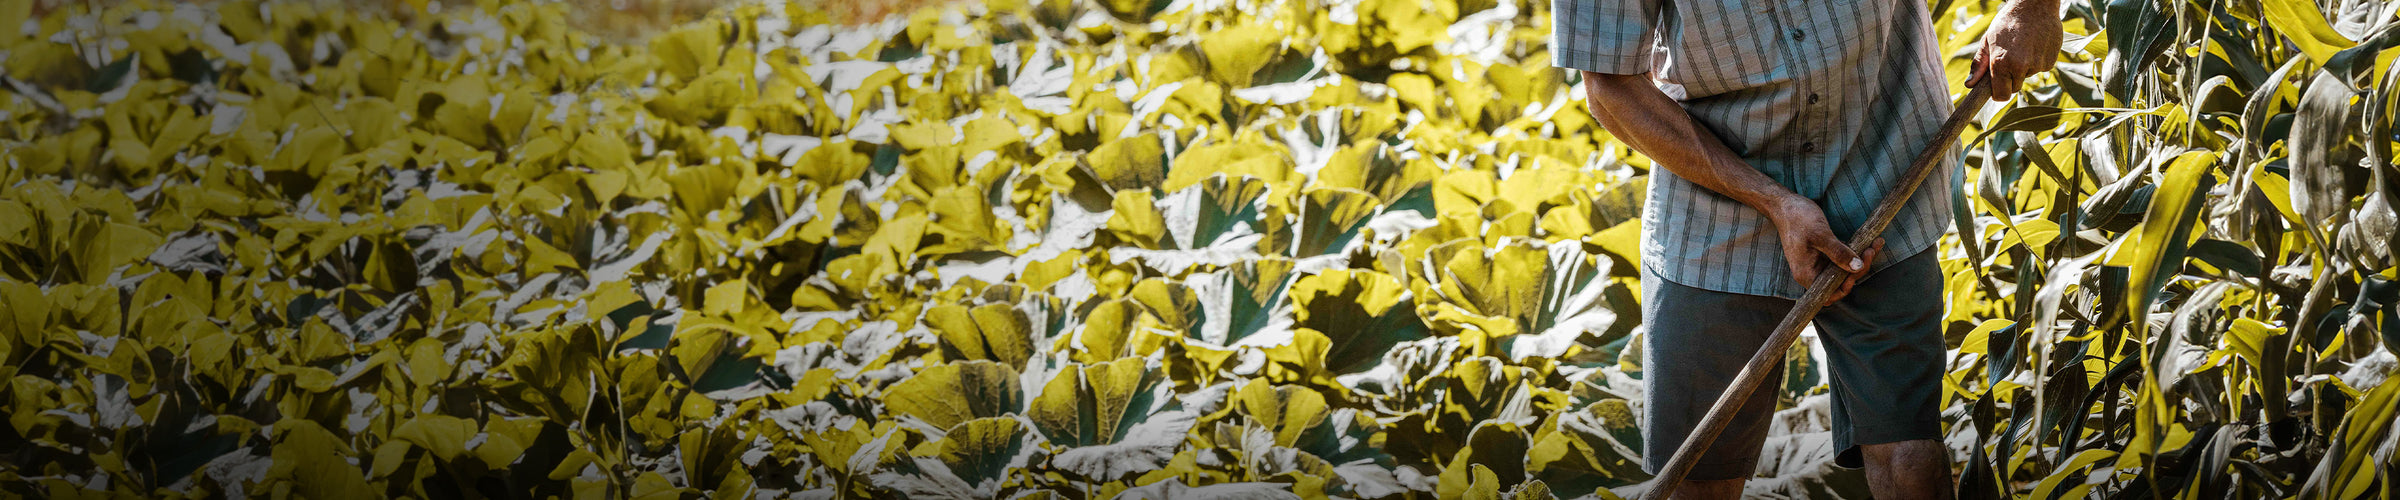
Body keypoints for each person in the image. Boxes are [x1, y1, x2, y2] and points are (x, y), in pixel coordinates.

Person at [1550, 0, 2060, 497]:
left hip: (1882, 161)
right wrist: (1772, 200)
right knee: (1700, 477)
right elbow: (1611, 87)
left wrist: (2034, 7)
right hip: (1714, 203)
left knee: (1909, 456)